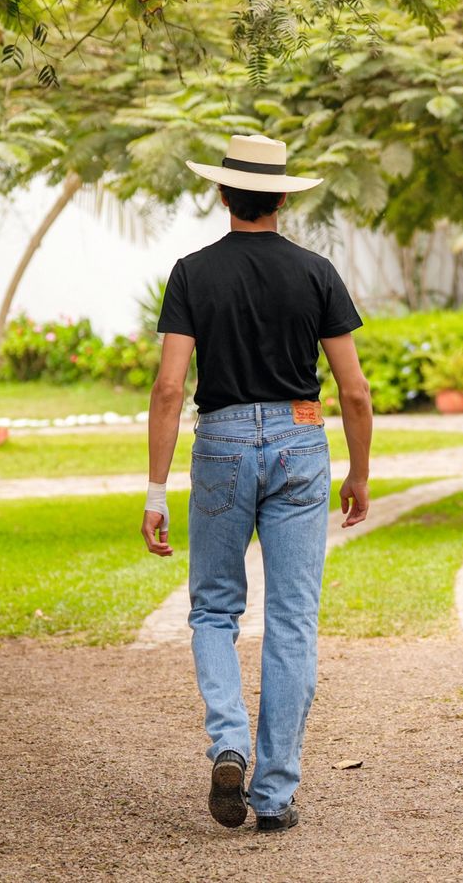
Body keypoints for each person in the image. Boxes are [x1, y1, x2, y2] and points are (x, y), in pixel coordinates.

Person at [140, 133, 373, 834]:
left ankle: (229, 742)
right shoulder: (316, 272)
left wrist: (155, 491)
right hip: (302, 440)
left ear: (221, 194)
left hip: (222, 441)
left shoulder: (191, 273)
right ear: (280, 197)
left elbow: (169, 386)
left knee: (214, 609)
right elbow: (354, 391)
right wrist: (358, 472)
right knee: (293, 621)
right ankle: (273, 796)